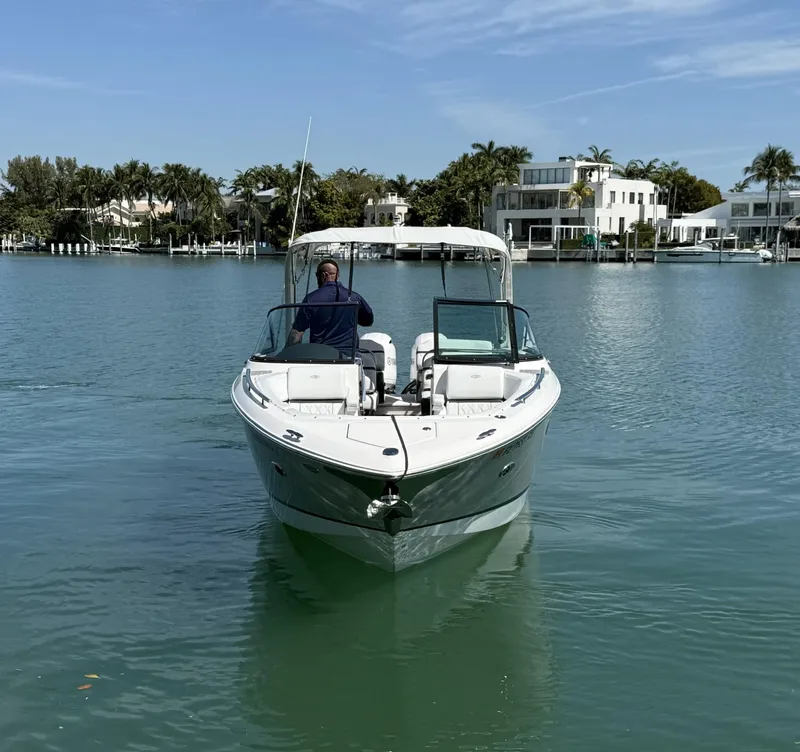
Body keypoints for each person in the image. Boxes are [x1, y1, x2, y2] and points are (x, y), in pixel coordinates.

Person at [286, 259, 373, 353]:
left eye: (317, 275)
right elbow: (368, 322)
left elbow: (296, 334)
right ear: (338, 275)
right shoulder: (354, 297)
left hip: (320, 356)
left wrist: (286, 355)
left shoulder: (311, 299)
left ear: (324, 275)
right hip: (349, 357)